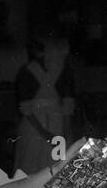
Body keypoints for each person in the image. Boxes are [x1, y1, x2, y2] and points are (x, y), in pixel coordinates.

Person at [14, 37, 76, 177]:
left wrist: (47, 134)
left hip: (35, 126)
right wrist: (63, 133)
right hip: (55, 124)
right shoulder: (65, 70)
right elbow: (68, 107)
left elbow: (26, 109)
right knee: (56, 166)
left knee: (32, 168)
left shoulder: (25, 71)